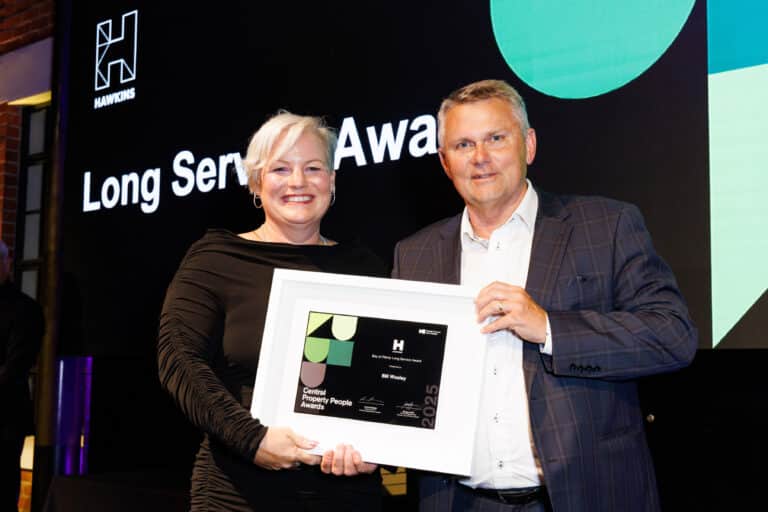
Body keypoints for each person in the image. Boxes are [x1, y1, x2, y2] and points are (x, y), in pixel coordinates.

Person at [392, 80, 697, 511]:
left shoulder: (605, 226)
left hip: (584, 496)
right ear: (445, 161)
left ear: (529, 144)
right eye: (463, 145)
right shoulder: (415, 253)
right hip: (457, 501)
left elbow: (673, 336)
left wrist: (550, 327)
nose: (480, 158)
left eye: (496, 138)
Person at [158, 111, 384, 511]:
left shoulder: (365, 268)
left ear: (331, 181)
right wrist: (252, 438)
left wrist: (381, 446)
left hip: (347, 496)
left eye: (313, 168)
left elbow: (387, 377)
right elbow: (179, 361)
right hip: (237, 494)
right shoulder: (217, 258)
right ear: (257, 183)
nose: (298, 182)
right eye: (281, 168)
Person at [0, 240, 44, 511]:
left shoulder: (24, 309)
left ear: (7, 263)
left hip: (5, 417)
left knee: (3, 488)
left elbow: (15, 366)